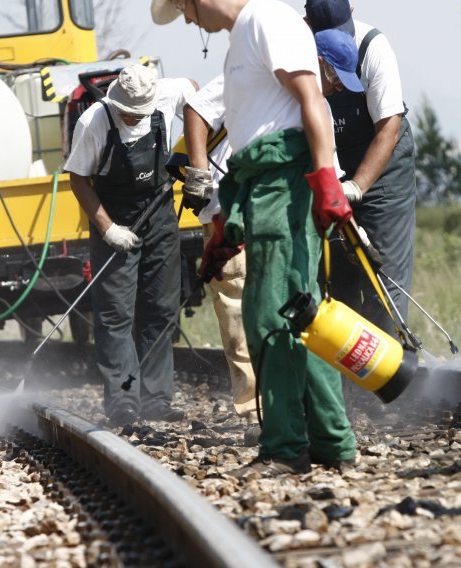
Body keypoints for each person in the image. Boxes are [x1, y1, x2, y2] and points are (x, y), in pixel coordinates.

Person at [151, 0, 357, 476]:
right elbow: (252, 126)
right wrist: (225, 222)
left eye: (183, 7)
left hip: (283, 183)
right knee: (298, 313)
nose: (187, 19)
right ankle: (331, 443)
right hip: (259, 186)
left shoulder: (267, 19)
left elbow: (313, 99)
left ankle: (286, 448)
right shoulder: (245, 35)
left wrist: (326, 179)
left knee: (272, 316)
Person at [64, 64, 197, 427]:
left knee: (160, 307)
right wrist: (108, 229)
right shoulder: (94, 122)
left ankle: (156, 399)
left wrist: (195, 155)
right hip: (115, 216)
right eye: (127, 111)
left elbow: (200, 98)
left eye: (138, 112)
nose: (131, 116)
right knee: (115, 314)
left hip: (159, 215)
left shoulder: (169, 93)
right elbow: (78, 180)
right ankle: (123, 399)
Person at [305, 0, 417, 339]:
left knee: (383, 273)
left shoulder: (373, 47)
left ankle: (391, 372)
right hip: (329, 164)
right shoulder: (292, 47)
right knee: (333, 276)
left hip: (382, 169)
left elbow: (389, 127)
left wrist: (355, 188)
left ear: (351, 14)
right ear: (308, 25)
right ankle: (345, 377)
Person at [181, 74, 261, 447]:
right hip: (226, 213)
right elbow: (196, 108)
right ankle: (255, 409)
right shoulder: (244, 74)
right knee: (237, 314)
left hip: (277, 210)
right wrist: (201, 176)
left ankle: (281, 406)